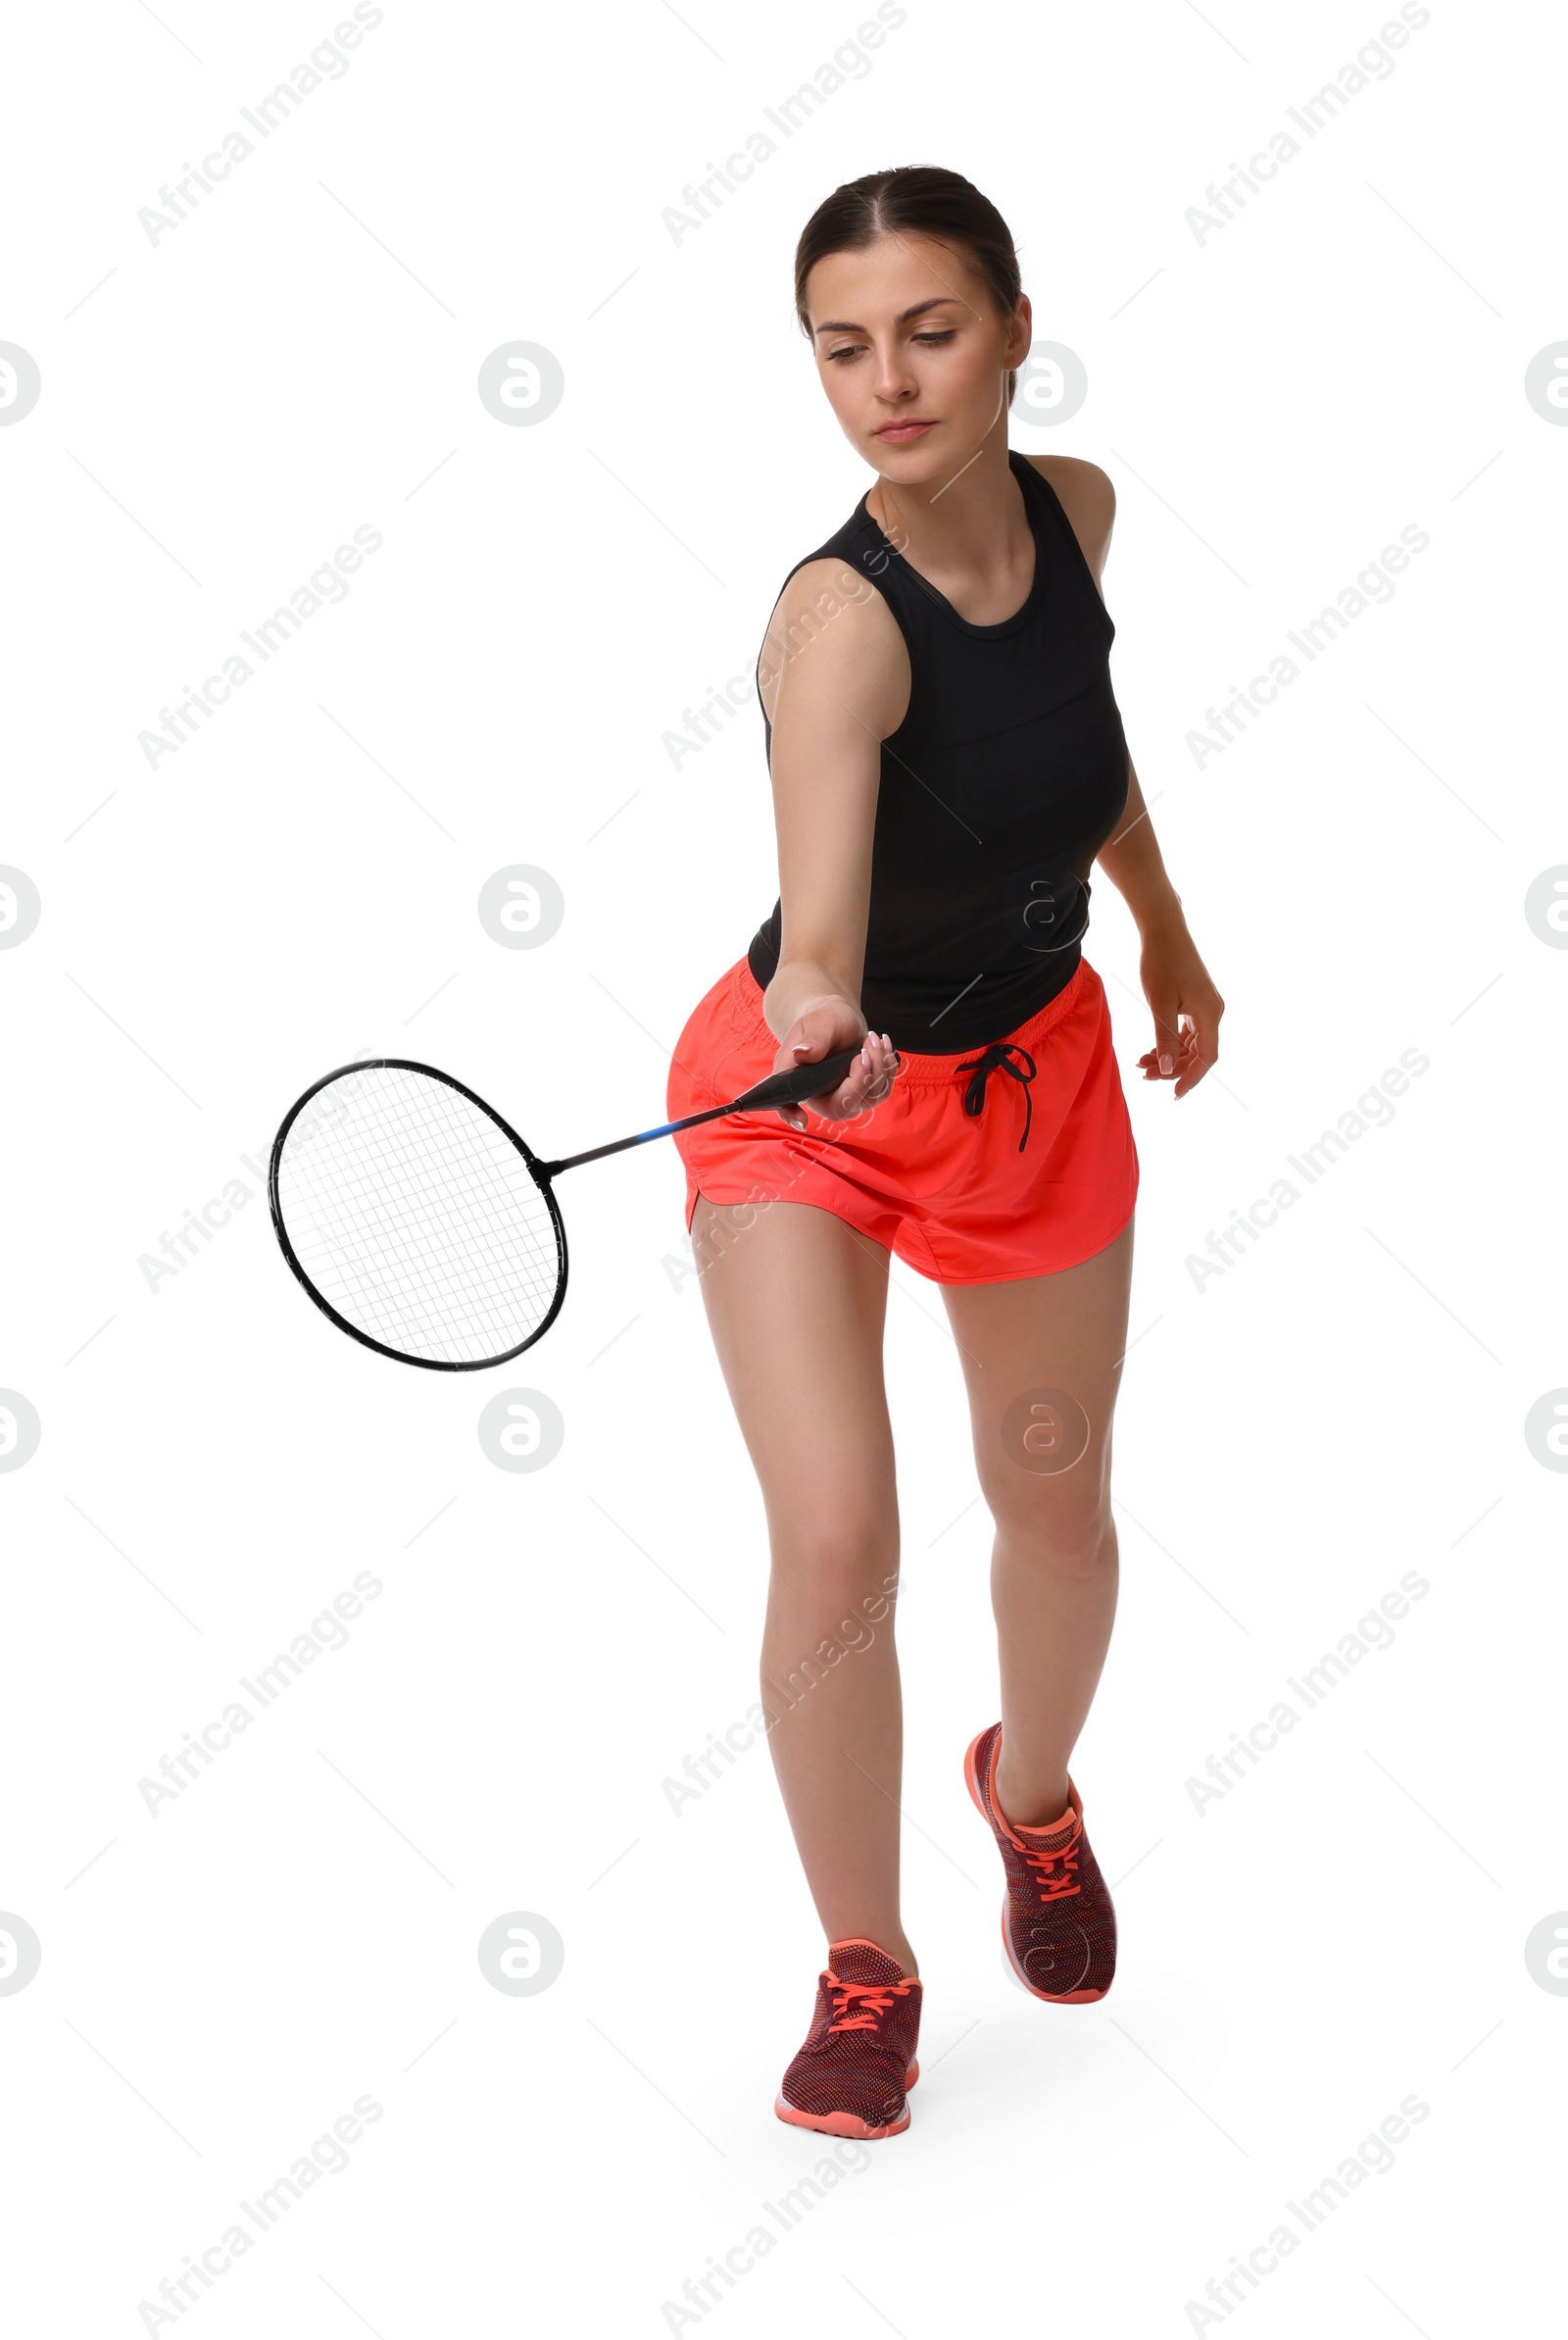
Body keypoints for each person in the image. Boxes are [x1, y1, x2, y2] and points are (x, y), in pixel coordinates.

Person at [665, 166, 1223, 2139]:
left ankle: (1032, 1797)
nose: (883, 381)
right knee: (837, 1539)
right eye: (838, 347)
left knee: (1051, 1506)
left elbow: (1075, 740)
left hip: (1029, 1085)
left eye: (924, 330)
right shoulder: (835, 626)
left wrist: (1159, 926)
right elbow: (818, 932)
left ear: (1006, 328)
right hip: (804, 1103)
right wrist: (818, 1011)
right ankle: (863, 1966)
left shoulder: (1072, 513)